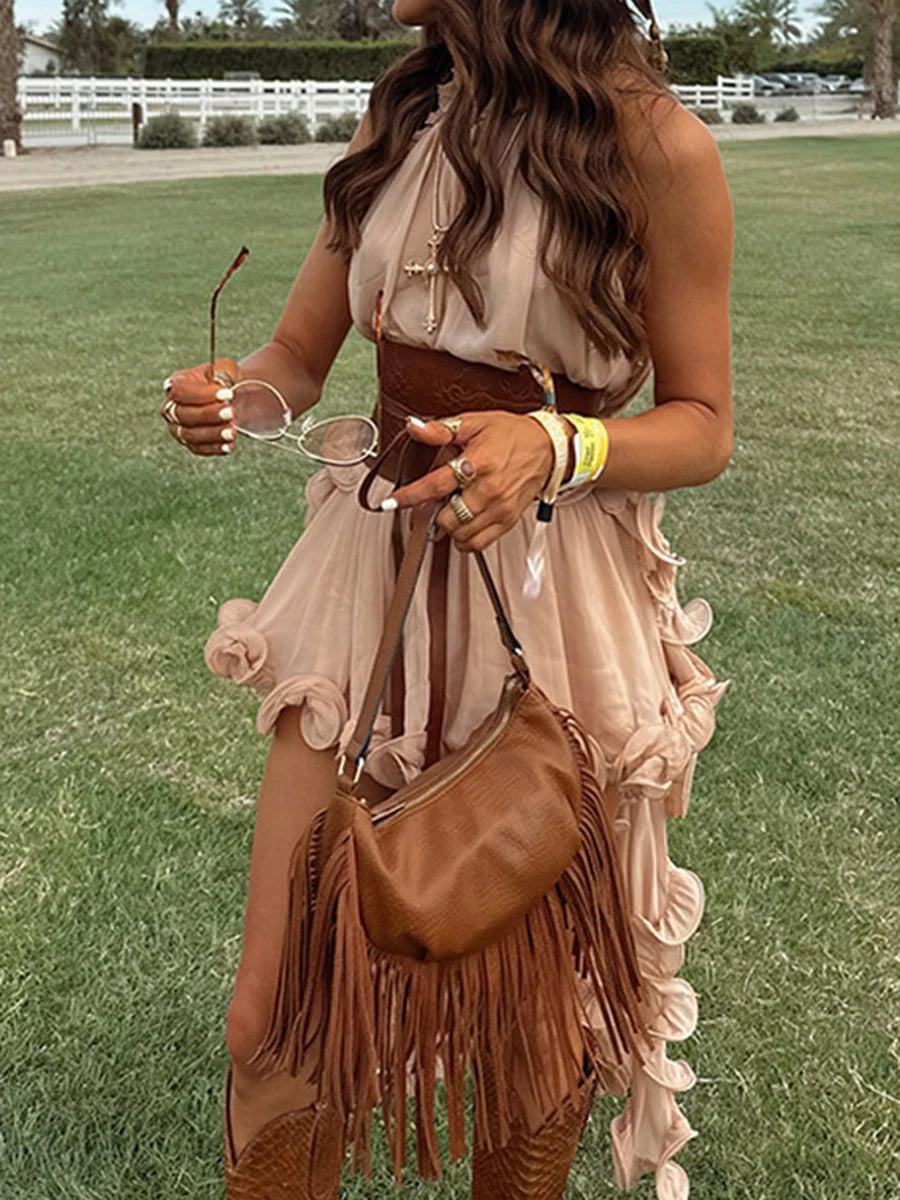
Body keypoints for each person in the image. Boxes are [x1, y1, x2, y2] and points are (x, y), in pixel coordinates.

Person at [160, 0, 734, 1194]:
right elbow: (295, 361)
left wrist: (558, 445)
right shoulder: (401, 114)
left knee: (537, 1033)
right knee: (270, 1020)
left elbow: (704, 423)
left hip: (552, 592)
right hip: (368, 582)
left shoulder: (656, 144)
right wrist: (231, 394)